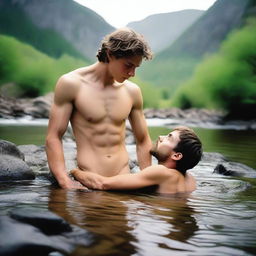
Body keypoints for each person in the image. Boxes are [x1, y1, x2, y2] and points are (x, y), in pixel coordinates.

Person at [45, 28, 153, 190]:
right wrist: (64, 180)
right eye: (128, 65)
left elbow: (143, 139)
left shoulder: (132, 91)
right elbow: (54, 136)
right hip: (89, 181)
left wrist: (147, 178)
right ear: (110, 54)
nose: (132, 73)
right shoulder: (71, 84)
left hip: (124, 179)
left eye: (136, 67)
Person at [70, 126, 203, 194]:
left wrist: (73, 172)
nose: (161, 137)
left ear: (177, 156)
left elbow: (102, 184)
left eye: (169, 137)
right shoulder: (190, 180)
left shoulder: (162, 172)